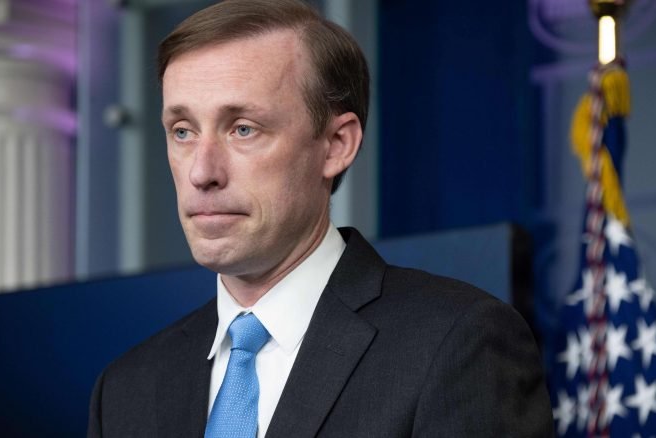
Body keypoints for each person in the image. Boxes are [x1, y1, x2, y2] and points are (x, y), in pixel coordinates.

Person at [88, 0, 554, 436]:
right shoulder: (125, 390)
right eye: (183, 131)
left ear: (336, 145)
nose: (201, 172)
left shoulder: (458, 343)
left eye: (243, 129)